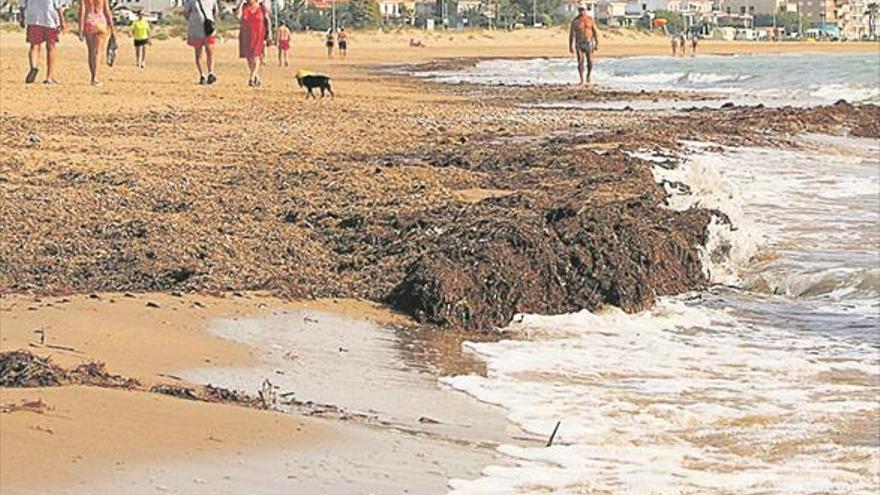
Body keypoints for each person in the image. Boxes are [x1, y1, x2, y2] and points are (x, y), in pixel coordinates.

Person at [18, 0, 65, 84]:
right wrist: (62, 22)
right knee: (51, 47)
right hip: (49, 19)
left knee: (34, 46)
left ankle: (34, 66)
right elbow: (58, 6)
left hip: (33, 19)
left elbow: (22, 4)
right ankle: (49, 77)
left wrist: (22, 18)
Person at [78, 0, 113, 85]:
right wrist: (112, 27)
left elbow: (81, 11)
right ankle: (95, 77)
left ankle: (92, 76)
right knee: (98, 52)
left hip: (89, 20)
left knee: (91, 51)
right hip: (101, 20)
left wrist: (80, 28)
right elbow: (107, 11)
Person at [183, 0, 218, 85]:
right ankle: (202, 75)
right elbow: (186, 13)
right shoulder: (191, 1)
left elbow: (215, 12)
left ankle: (211, 73)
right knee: (199, 53)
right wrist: (194, 21)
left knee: (210, 51)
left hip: (208, 30)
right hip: (196, 31)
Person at [238, 0, 267, 87]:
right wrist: (239, 3)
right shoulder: (244, 6)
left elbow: (267, 20)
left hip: (258, 34)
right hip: (245, 35)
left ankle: (251, 77)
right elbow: (237, 15)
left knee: (256, 55)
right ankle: (256, 77)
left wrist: (269, 35)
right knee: (249, 57)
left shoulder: (261, 7)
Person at [568, 5, 598, 85]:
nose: (581, 11)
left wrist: (597, 43)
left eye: (583, 10)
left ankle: (588, 76)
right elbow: (572, 34)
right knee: (580, 62)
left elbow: (595, 31)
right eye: (580, 10)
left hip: (589, 43)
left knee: (590, 62)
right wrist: (570, 46)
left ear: (586, 10)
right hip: (579, 44)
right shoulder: (575, 21)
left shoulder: (590, 20)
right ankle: (581, 79)